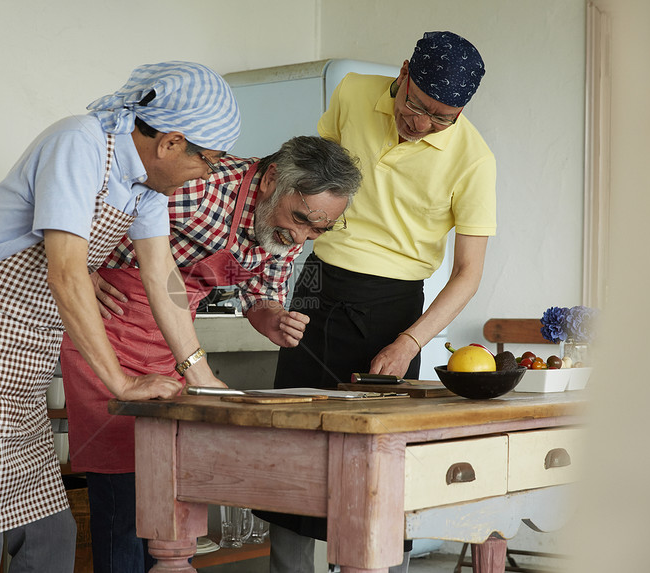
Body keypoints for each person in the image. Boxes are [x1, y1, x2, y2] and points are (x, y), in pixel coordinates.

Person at [0, 61, 241, 573]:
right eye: (208, 160)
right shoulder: (81, 143)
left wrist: (201, 373)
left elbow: (161, 273)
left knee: (50, 538)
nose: (208, 174)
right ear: (171, 143)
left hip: (23, 367)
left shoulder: (145, 183)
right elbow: (66, 271)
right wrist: (121, 383)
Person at [59, 135, 361, 573]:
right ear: (272, 179)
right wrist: (81, 266)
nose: (302, 236)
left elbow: (261, 297)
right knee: (124, 490)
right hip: (109, 329)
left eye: (318, 229)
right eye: (300, 220)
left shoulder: (283, 230)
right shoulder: (198, 186)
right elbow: (72, 206)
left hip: (175, 344)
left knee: (166, 482)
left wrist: (271, 317)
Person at [264, 31, 496, 573]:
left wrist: (410, 341)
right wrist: (274, 276)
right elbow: (306, 181)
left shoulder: (474, 159)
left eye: (443, 118)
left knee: (379, 473)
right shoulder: (351, 92)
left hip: (394, 311)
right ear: (404, 73)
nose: (422, 124)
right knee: (289, 455)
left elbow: (467, 274)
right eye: (417, 107)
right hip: (318, 282)